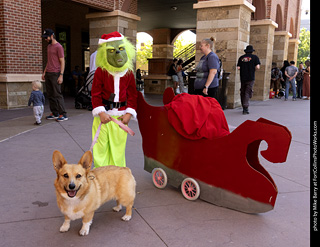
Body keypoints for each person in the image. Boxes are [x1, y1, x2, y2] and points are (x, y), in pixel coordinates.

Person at [91, 32, 137, 168]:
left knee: (118, 150)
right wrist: (101, 112)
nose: (117, 53)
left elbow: (133, 95)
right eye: (111, 51)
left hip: (121, 117)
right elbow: (96, 93)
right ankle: (101, 178)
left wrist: (129, 113)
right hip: (103, 117)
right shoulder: (101, 71)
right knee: (101, 149)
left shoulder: (128, 73)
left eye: (121, 49)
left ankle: (118, 179)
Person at [41, 28, 68, 122]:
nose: (46, 39)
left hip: (55, 73)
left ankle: (63, 114)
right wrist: (44, 72)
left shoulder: (59, 47)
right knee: (50, 94)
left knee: (57, 94)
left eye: (47, 37)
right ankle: (55, 113)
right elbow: (49, 61)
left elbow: (62, 61)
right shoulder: (49, 47)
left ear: (52, 36)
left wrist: (61, 75)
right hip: (48, 73)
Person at [237, 45, 260, 114]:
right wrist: (252, 69)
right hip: (250, 77)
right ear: (252, 51)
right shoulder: (255, 57)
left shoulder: (241, 58)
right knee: (247, 91)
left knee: (243, 91)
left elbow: (238, 67)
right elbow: (258, 67)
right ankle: (245, 107)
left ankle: (243, 105)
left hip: (243, 77)